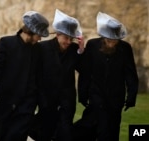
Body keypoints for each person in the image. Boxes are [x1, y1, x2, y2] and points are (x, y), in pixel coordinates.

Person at [0, 11, 49, 141]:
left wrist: (40, 99)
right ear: (31, 31)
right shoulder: (6, 43)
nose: (40, 39)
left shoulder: (37, 50)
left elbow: (40, 76)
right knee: (4, 135)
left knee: (19, 135)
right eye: (39, 35)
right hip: (6, 101)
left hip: (27, 104)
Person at [77, 12, 139, 141]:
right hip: (96, 94)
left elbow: (130, 73)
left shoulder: (125, 48)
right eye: (109, 41)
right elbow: (86, 72)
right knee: (98, 127)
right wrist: (83, 94)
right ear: (104, 37)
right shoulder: (93, 45)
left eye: (115, 41)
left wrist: (131, 97)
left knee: (113, 127)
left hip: (116, 97)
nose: (112, 44)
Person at [31, 9, 84, 141]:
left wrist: (81, 51)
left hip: (67, 98)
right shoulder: (42, 48)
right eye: (66, 38)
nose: (68, 42)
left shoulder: (74, 50)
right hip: (46, 97)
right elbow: (34, 72)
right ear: (58, 34)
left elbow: (84, 69)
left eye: (71, 39)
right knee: (45, 131)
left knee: (65, 131)